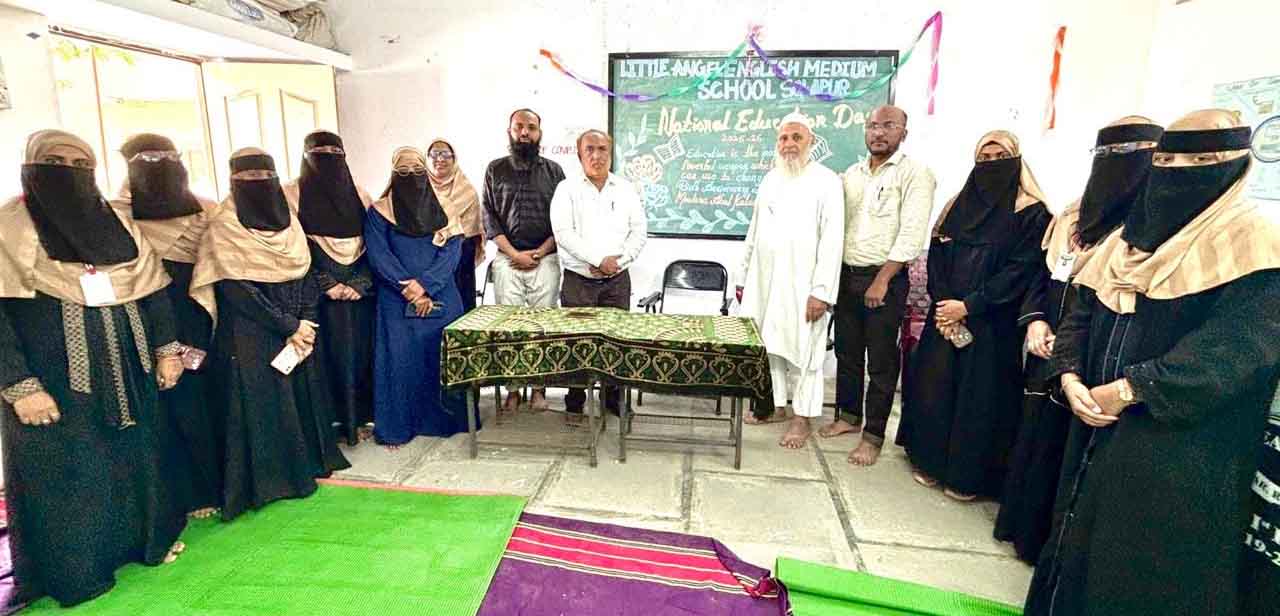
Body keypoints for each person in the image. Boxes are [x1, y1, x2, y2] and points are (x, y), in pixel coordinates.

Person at [1025, 110, 1280, 616]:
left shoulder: (1256, 247)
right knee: (1075, 542)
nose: (1178, 171)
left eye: (1201, 161)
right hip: (1093, 425)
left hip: (1180, 451)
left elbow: (1233, 352)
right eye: (1166, 160)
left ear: (1236, 164)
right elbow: (1081, 312)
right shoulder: (1125, 241)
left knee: (1142, 569)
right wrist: (1070, 375)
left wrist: (1129, 390)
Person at [0, 129, 187, 607]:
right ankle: (78, 572)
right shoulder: (9, 230)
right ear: (31, 167)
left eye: (81, 164)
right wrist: (19, 386)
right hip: (52, 382)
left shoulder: (116, 223)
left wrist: (167, 351)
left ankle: (144, 544)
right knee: (70, 472)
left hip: (130, 369)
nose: (70, 171)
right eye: (55, 162)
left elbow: (152, 289)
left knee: (135, 456)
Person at [994, 117, 1162, 564]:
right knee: (1036, 434)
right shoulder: (1073, 215)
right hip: (1047, 341)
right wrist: (1035, 321)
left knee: (1069, 449)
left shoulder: (1151, 227)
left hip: (1096, 356)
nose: (1114, 165)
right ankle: (1023, 529)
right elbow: (1043, 275)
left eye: (1128, 155)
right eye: (1105, 155)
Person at [191, 147, 349, 521]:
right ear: (233, 180)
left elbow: (306, 272)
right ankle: (270, 483)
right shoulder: (224, 226)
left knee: (299, 396)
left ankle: (306, 465)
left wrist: (306, 319)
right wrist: (288, 325)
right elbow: (235, 289)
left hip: (297, 324)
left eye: (264, 177)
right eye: (247, 178)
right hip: (251, 331)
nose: (257, 184)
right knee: (263, 404)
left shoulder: (290, 222)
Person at [896, 130, 1051, 501]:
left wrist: (969, 306)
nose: (991, 165)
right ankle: (929, 462)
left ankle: (968, 478)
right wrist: (945, 305)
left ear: (1016, 161)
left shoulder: (1031, 213)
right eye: (984, 158)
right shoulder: (956, 206)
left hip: (992, 324)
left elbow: (1021, 270)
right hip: (944, 319)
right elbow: (936, 256)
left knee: (980, 400)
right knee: (936, 390)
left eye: (1000, 158)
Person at [113, 133, 223, 519]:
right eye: (145, 159)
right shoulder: (115, 215)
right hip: (138, 317)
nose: (156, 166)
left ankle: (210, 487)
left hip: (197, 311)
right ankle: (172, 497)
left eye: (165, 157)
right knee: (157, 406)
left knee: (200, 400)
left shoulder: (207, 211)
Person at [819, 104, 936, 466]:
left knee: (882, 363)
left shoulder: (915, 174)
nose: (878, 133)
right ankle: (849, 416)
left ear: (904, 132)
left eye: (888, 126)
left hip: (884, 279)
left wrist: (883, 280)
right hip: (846, 275)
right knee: (847, 352)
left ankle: (873, 436)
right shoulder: (851, 175)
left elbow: (912, 233)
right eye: (872, 126)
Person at [737, 111, 844, 449]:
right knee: (770, 346)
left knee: (805, 351)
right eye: (783, 138)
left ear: (811, 141)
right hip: (765, 281)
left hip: (805, 286)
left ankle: (803, 417)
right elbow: (754, 230)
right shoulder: (770, 179)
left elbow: (833, 240)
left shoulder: (827, 181)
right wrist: (743, 277)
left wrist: (822, 292)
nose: (789, 144)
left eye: (797, 137)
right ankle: (775, 406)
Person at [365, 147, 470, 446]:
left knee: (440, 358)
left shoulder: (446, 209)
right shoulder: (379, 211)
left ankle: (445, 422)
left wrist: (424, 286)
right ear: (392, 174)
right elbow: (378, 253)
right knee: (400, 362)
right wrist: (407, 288)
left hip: (441, 294)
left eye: (417, 171)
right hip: (395, 299)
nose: (411, 177)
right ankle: (399, 427)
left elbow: (452, 252)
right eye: (403, 172)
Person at [281, 130, 375, 446]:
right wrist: (326, 284)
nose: (327, 159)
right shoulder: (290, 195)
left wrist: (360, 283)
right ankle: (329, 426)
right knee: (323, 361)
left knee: (359, 356)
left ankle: (357, 420)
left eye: (334, 152)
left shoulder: (359, 195)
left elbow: (374, 243)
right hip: (315, 297)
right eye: (318, 153)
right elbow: (290, 248)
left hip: (358, 296)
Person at [550, 130, 647, 418]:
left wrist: (617, 262)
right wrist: (597, 260)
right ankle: (575, 397)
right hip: (579, 281)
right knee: (577, 342)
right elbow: (563, 234)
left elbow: (639, 232)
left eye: (603, 149)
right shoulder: (566, 190)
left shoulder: (626, 189)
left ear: (610, 153)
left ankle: (612, 397)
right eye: (590, 149)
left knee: (616, 342)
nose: (597, 155)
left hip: (617, 280)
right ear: (579, 154)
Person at [482, 109, 566, 414]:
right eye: (519, 126)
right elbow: (488, 216)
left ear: (540, 133)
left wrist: (540, 252)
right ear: (510, 131)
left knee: (542, 327)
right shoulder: (495, 169)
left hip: (546, 258)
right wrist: (514, 254)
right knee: (510, 327)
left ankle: (539, 389)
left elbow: (563, 221)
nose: (525, 132)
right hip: (508, 259)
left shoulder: (555, 172)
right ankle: (514, 389)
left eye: (531, 127)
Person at [427, 139, 486, 313]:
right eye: (434, 154)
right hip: (426, 260)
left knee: (459, 310)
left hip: (459, 259)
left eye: (446, 154)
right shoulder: (418, 190)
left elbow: (472, 233)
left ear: (454, 159)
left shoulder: (467, 191)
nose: (440, 159)